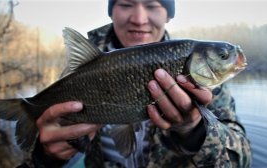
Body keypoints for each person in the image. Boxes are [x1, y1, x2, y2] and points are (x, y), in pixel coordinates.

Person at [20, 0, 252, 167]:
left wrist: (194, 131)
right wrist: (45, 158)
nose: (139, 19)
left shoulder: (205, 79)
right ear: (111, 11)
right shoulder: (79, 72)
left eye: (152, 4)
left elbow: (242, 160)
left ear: (168, 14)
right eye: (126, 3)